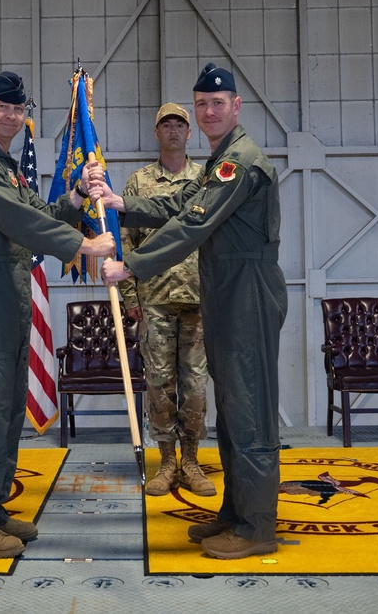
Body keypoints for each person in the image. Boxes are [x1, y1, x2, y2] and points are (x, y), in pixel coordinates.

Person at [97, 63, 287, 559]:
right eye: (201, 103)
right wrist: (122, 203)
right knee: (232, 413)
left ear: (236, 106)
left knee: (249, 413)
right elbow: (182, 201)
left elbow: (191, 226)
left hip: (246, 292)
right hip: (225, 292)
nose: (207, 112)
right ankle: (235, 513)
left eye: (216, 103)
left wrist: (130, 266)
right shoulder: (218, 161)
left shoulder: (238, 162)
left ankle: (256, 528)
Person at [0, 71, 115, 558]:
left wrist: (78, 198)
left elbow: (38, 210)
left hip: (12, 293)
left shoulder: (8, 167)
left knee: (5, 406)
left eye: (19, 111)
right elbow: (17, 219)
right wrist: (83, 244)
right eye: (3, 108)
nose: (12, 117)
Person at [118, 103, 212, 497]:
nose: (173, 131)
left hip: (198, 297)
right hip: (154, 298)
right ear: (157, 133)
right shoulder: (138, 182)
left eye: (179, 125)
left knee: (195, 386)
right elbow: (125, 241)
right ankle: (167, 460)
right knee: (159, 383)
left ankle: (191, 460)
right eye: (166, 125)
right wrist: (128, 296)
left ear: (189, 133)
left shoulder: (207, 178)